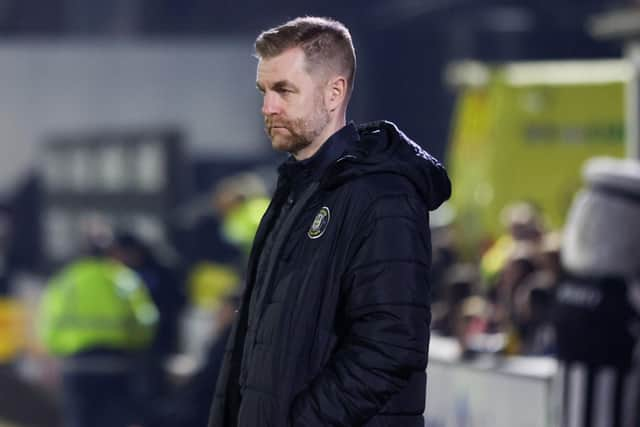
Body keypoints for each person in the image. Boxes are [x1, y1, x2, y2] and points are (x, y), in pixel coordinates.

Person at [208, 16, 451, 427]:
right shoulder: (296, 191)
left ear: (334, 92)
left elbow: (391, 347)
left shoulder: (382, 196)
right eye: (264, 91)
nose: (268, 107)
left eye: (284, 89)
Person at [39, 233, 158, 427]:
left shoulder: (65, 280)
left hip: (77, 366)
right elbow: (146, 322)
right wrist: (135, 344)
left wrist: (60, 349)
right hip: (116, 365)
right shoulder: (123, 278)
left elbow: (49, 327)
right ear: (109, 253)